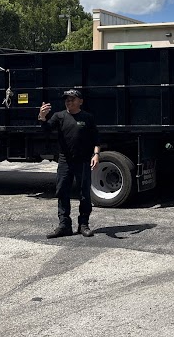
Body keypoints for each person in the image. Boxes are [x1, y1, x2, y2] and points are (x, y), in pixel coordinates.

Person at [38, 89, 100, 239]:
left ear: (80, 101)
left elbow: (96, 139)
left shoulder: (87, 117)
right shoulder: (59, 116)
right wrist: (42, 117)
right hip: (65, 160)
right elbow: (46, 130)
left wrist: (96, 154)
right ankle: (64, 225)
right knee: (62, 191)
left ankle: (83, 225)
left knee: (84, 193)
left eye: (72, 99)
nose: (68, 101)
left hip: (83, 160)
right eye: (67, 99)